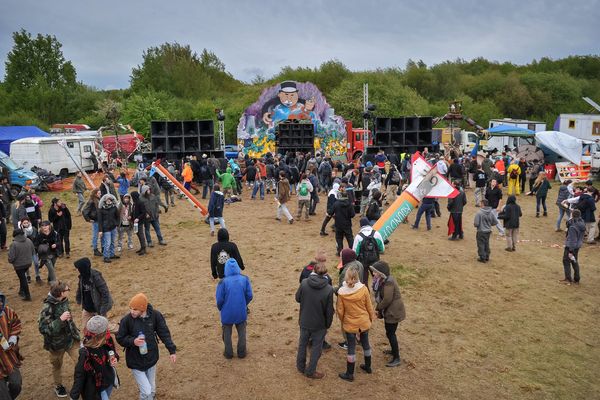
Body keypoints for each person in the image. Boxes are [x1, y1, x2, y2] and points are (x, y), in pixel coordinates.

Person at [116, 293, 177, 400]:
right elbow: (120, 338)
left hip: (151, 358)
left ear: (143, 309)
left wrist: (172, 350)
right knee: (146, 391)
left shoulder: (155, 315)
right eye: (130, 308)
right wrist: (133, 341)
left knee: (152, 390)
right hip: (135, 361)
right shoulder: (126, 320)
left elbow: (164, 333)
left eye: (135, 309)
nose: (132, 311)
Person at [38, 281, 81, 398]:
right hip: (56, 345)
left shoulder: (64, 300)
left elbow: (69, 318)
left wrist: (75, 332)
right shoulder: (47, 307)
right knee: (57, 366)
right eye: (67, 290)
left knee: (81, 360)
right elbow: (43, 329)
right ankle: (58, 386)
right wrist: (60, 320)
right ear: (61, 293)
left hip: (70, 340)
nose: (69, 291)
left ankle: (82, 383)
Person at [295, 262, 334, 379]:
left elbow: (297, 298)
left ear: (313, 271)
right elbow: (329, 310)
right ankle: (311, 371)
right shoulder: (328, 289)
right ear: (325, 273)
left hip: (304, 321)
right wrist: (328, 324)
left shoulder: (304, 283)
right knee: (317, 348)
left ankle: (300, 366)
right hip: (319, 324)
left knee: (302, 344)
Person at [336, 265, 375, 381]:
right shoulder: (363, 289)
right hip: (364, 322)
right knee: (366, 344)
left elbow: (340, 310)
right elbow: (369, 306)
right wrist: (370, 319)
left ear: (346, 277)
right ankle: (368, 367)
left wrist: (343, 321)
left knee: (351, 348)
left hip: (350, 324)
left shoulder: (341, 293)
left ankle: (350, 373)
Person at [69, 316, 119, 400]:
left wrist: (115, 359)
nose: (108, 331)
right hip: (95, 387)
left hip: (109, 380)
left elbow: (113, 353)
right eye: (106, 330)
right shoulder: (85, 353)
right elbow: (79, 375)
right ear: (100, 335)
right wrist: (73, 396)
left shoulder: (108, 339)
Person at [370, 261, 405, 367]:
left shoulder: (388, 282)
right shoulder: (384, 280)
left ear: (381, 273)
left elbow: (387, 300)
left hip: (393, 313)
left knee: (390, 334)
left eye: (375, 272)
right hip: (391, 311)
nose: (373, 274)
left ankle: (396, 358)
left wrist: (378, 308)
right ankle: (393, 351)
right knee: (390, 333)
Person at [216, 259, 253, 359]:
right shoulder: (245, 279)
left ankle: (228, 353)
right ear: (237, 267)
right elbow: (250, 295)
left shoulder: (222, 282)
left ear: (226, 269)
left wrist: (221, 308)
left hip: (227, 313)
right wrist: (244, 304)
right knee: (242, 333)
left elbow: (219, 299)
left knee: (227, 334)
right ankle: (242, 352)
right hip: (241, 311)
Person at [73, 257, 114, 331]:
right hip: (87, 308)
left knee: (103, 329)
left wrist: (102, 311)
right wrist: (78, 298)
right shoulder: (82, 276)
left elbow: (105, 293)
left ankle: (118, 331)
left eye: (78, 268)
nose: (77, 270)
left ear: (83, 268)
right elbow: (80, 288)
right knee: (86, 329)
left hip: (98, 308)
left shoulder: (96, 277)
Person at [0, 292, 23, 400]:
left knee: (16, 385)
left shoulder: (7, 311)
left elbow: (15, 323)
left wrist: (13, 337)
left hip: (9, 358)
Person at [8, 229, 35, 301]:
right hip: (28, 263)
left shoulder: (14, 244)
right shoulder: (29, 240)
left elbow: (11, 258)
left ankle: (27, 295)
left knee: (23, 279)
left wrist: (11, 261)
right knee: (22, 277)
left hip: (19, 265)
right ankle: (21, 291)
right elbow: (33, 251)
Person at [560, 209, 586, 285]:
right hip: (577, 246)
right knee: (574, 261)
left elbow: (572, 239)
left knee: (566, 261)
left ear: (572, 215)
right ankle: (577, 279)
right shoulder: (582, 222)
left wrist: (570, 251)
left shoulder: (573, 227)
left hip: (571, 247)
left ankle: (568, 279)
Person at [329, 186, 355, 255]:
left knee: (339, 238)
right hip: (347, 224)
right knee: (350, 238)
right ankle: (352, 251)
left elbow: (330, 212)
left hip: (338, 224)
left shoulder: (336, 204)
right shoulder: (349, 204)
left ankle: (340, 251)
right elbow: (353, 215)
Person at [96, 194, 120, 264]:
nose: (109, 201)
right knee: (108, 243)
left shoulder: (114, 208)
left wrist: (117, 223)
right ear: (104, 200)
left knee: (112, 241)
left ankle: (112, 254)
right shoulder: (101, 209)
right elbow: (99, 221)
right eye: (107, 200)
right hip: (105, 228)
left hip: (113, 227)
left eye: (110, 200)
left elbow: (117, 217)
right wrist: (100, 230)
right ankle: (106, 256)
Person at [82, 189, 102, 257]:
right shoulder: (91, 201)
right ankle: (95, 250)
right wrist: (88, 219)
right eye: (99, 193)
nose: (100, 194)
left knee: (100, 235)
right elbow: (84, 211)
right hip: (95, 221)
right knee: (95, 236)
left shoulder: (98, 200)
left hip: (99, 220)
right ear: (95, 194)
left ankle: (102, 248)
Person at [130, 191, 147, 256]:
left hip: (139, 222)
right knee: (138, 234)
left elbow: (143, 212)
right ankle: (142, 247)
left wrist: (138, 218)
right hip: (135, 222)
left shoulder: (140, 203)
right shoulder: (135, 203)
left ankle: (144, 249)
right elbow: (133, 211)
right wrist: (131, 216)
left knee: (141, 235)